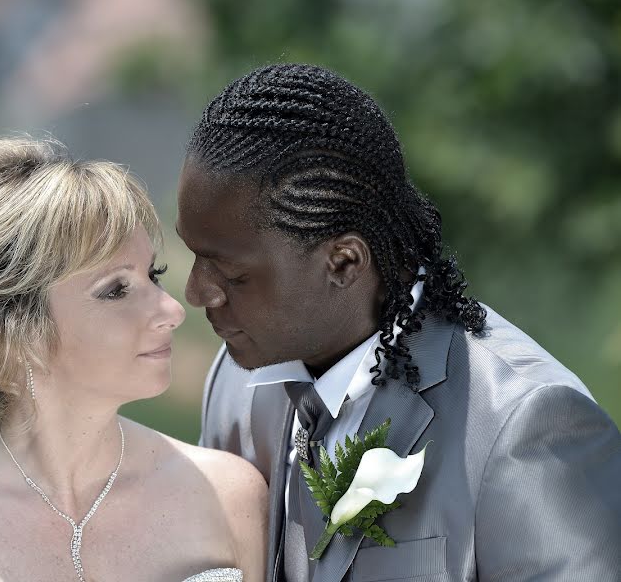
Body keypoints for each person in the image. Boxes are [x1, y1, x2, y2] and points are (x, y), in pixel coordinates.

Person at [176, 63, 621, 582]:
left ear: (343, 262)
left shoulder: (525, 423)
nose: (195, 292)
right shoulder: (237, 380)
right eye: (194, 256)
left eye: (232, 273)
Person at [0, 137, 267, 582]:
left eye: (154, 275)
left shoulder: (230, 496)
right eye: (116, 290)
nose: (172, 311)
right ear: (10, 331)